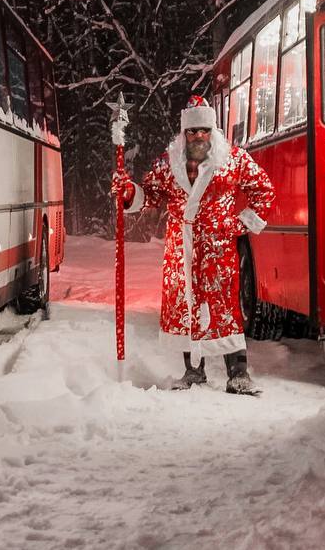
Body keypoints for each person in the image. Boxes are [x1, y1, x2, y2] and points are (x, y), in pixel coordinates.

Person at [112, 95, 275, 395]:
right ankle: (193, 371)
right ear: (184, 133)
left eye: (204, 130)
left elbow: (264, 191)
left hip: (218, 248)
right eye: (192, 130)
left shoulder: (234, 159)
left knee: (224, 307)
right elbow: (149, 196)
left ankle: (238, 372)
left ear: (213, 131)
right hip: (181, 248)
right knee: (187, 304)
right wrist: (127, 193)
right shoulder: (167, 164)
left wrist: (239, 224)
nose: (199, 135)